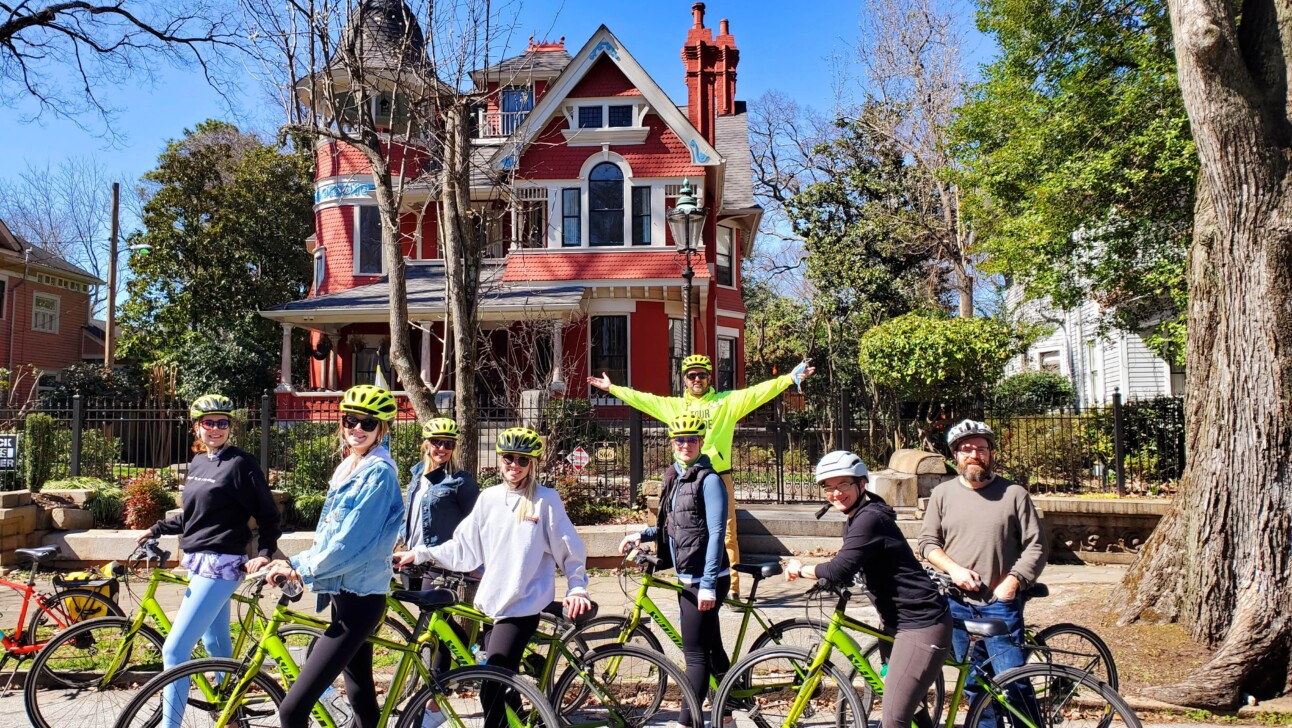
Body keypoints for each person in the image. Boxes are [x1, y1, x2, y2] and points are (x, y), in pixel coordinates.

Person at [393, 427, 591, 728]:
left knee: (490, 686)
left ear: (532, 464)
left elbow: (569, 548)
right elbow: (464, 548)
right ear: (500, 460)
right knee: (500, 678)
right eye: (508, 458)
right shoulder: (489, 498)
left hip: (521, 608)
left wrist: (578, 587)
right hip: (490, 607)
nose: (514, 465)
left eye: (522, 461)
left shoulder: (544, 500)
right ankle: (524, 721)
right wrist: (420, 554)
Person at [589, 353, 814, 593]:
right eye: (691, 375)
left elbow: (758, 392)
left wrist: (789, 378)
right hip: (685, 479)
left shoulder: (726, 402)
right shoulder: (674, 406)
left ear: (709, 378)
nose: (697, 379)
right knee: (683, 530)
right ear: (684, 379)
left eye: (702, 375)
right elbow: (644, 400)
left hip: (717, 476)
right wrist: (613, 389)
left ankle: (732, 590)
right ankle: (690, 580)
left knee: (726, 535)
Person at [136, 394, 282, 728]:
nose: (215, 429)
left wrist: (264, 554)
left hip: (223, 565)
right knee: (215, 645)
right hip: (197, 561)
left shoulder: (241, 464)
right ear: (196, 427)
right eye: (208, 422)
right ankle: (231, 715)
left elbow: (269, 517)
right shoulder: (200, 463)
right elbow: (194, 517)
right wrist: (156, 528)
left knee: (174, 651)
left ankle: (169, 725)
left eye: (222, 422)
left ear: (231, 427)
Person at [268, 384, 405, 728]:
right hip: (344, 596)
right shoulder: (350, 468)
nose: (356, 428)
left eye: (367, 423)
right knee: (361, 700)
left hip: (360, 602)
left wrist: (300, 569)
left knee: (292, 709)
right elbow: (328, 538)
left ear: (381, 429)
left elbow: (349, 544)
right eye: (350, 420)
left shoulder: (378, 475)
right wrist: (291, 562)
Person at [784, 451, 951, 728]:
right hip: (896, 624)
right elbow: (856, 561)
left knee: (893, 719)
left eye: (843, 485)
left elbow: (840, 568)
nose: (836, 493)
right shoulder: (859, 517)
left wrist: (802, 569)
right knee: (911, 708)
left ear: (862, 485)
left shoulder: (869, 519)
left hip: (920, 624)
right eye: (829, 487)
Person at [918, 419, 1046, 728]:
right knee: (975, 682)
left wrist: (1013, 582)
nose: (974, 454)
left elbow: (1037, 545)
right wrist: (954, 570)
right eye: (966, 449)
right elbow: (927, 542)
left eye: (981, 448)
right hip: (958, 603)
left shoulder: (1014, 494)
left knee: (1012, 679)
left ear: (990, 453)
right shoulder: (942, 495)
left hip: (1000, 602)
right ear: (955, 456)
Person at [619, 414, 731, 728]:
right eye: (679, 440)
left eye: (691, 439)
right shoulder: (675, 476)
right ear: (672, 443)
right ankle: (729, 716)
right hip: (690, 575)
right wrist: (641, 535)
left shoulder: (708, 480)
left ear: (701, 442)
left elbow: (715, 533)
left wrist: (707, 583)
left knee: (695, 657)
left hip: (704, 578)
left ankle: (686, 723)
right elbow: (674, 524)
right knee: (712, 650)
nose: (685, 445)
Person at [400, 416, 479, 676]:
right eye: (436, 442)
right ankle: (472, 656)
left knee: (435, 619)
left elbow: (477, 522)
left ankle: (440, 682)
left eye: (448, 443)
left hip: (441, 560)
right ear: (426, 444)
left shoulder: (460, 480)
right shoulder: (416, 475)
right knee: (439, 618)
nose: (442, 448)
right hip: (415, 556)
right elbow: (410, 515)